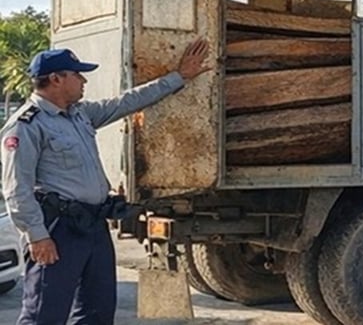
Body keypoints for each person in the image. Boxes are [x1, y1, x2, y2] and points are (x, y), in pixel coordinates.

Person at [1, 39, 210, 325]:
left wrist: (179, 77)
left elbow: (128, 101)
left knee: (97, 310)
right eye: (77, 75)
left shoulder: (79, 115)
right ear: (56, 79)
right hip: (57, 230)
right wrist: (37, 236)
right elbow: (16, 189)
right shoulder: (26, 125)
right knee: (44, 314)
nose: (83, 80)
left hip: (92, 225)